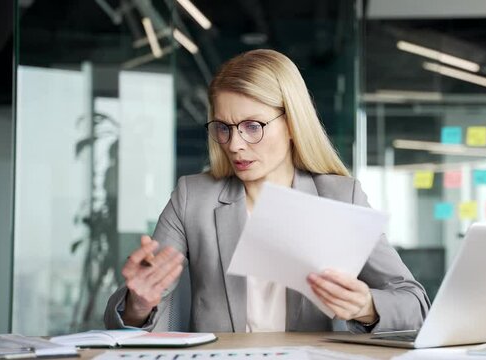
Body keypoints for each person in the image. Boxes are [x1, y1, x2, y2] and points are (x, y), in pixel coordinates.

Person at [104, 49, 429, 333]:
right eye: (224, 128)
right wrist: (139, 302)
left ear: (291, 123)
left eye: (252, 126)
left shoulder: (341, 196)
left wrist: (366, 306)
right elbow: (126, 315)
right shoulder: (193, 198)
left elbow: (415, 303)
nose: (235, 145)